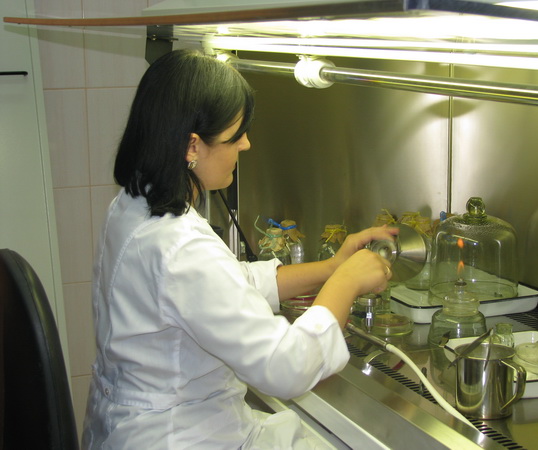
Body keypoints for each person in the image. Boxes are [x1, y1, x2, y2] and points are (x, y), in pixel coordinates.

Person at [82, 48, 395, 449]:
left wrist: (332, 267)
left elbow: (225, 283)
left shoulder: (134, 203)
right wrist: (346, 284)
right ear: (192, 146)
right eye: (235, 135)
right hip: (180, 437)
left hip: (138, 424)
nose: (245, 144)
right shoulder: (179, 245)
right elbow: (285, 367)